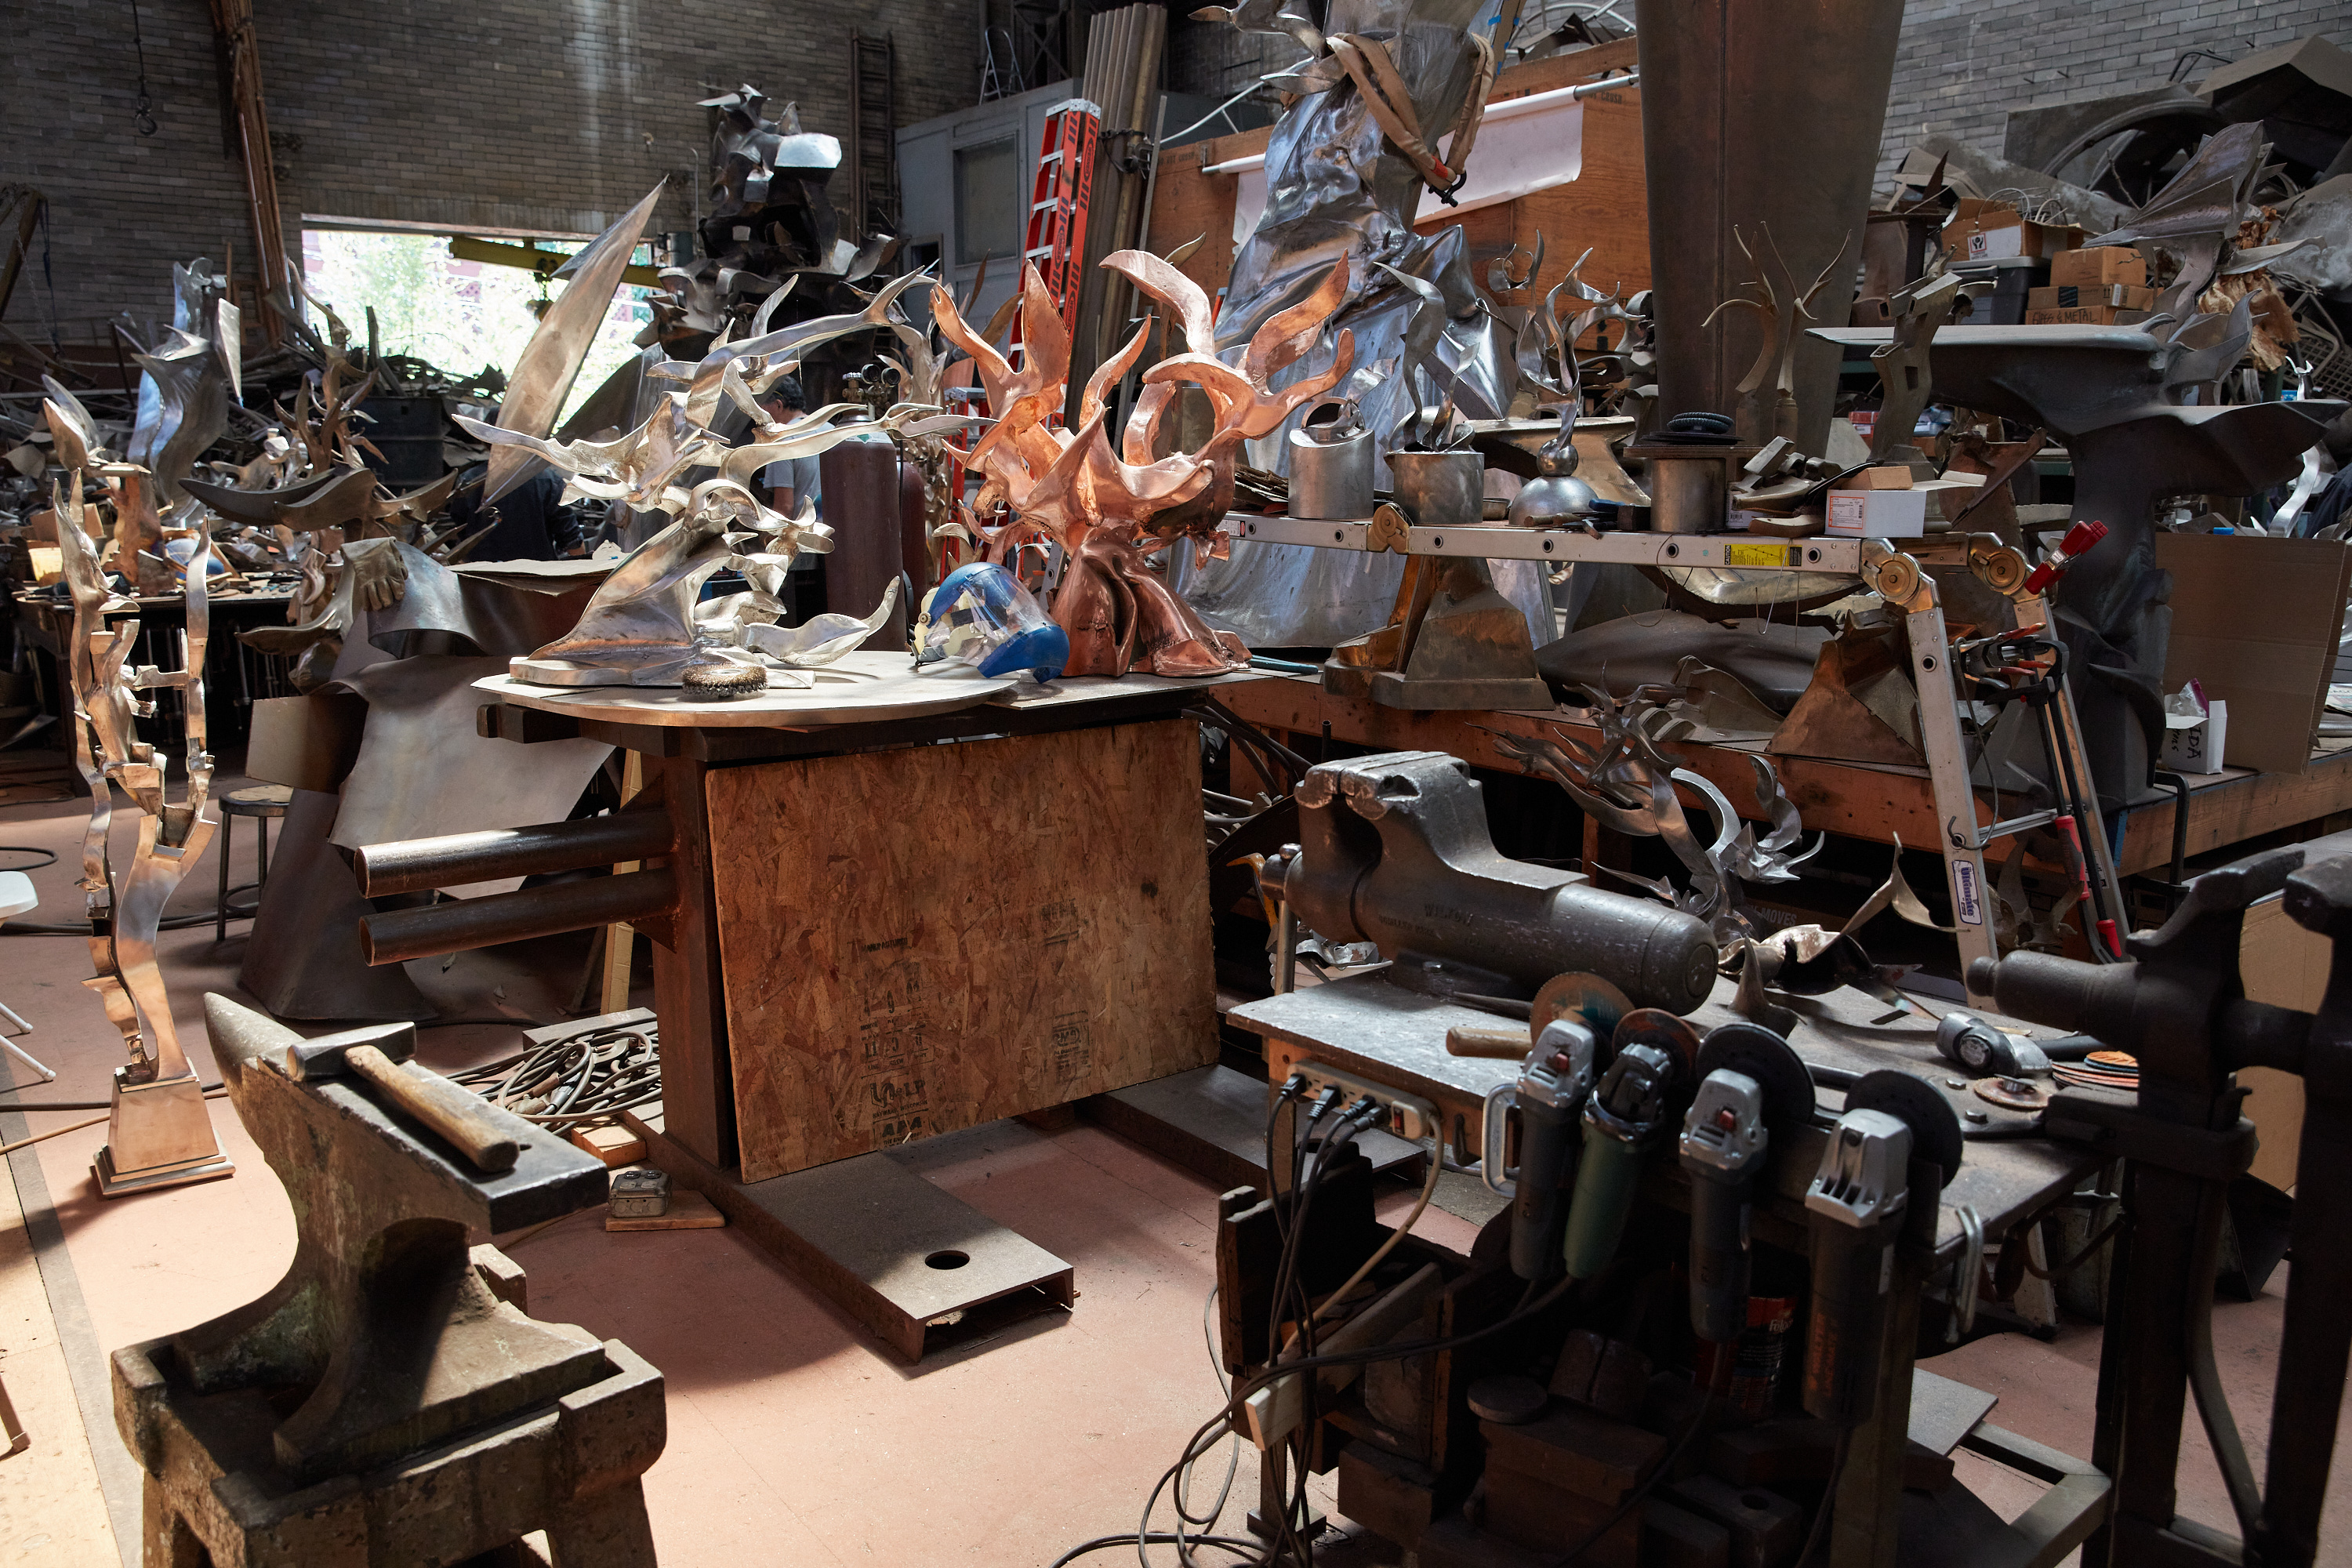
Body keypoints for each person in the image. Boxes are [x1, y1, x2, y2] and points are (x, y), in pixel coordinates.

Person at [757, 376, 822, 517]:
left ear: (778, 405)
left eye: (761, 412)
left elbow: (784, 509)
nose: (760, 421)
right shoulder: (832, 429)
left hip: (806, 531)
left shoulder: (783, 442)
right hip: (841, 529)